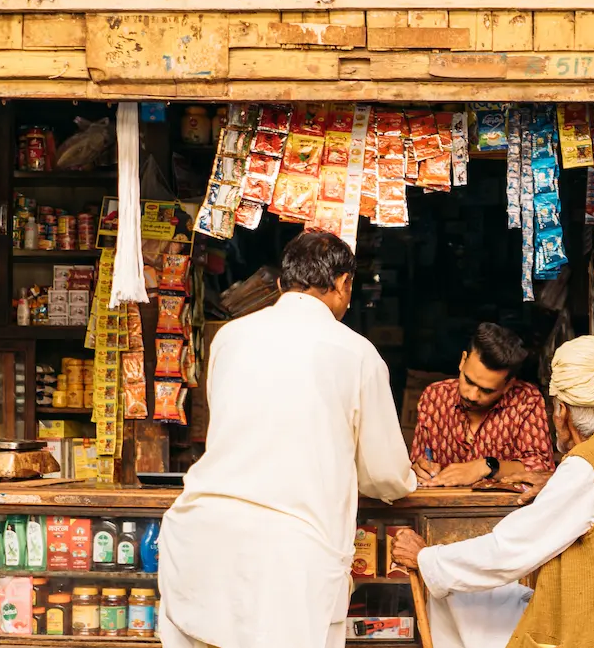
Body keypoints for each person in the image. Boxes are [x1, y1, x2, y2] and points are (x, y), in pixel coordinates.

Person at [157, 230, 417, 648]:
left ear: (281, 284)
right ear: (343, 286)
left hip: (202, 537)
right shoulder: (357, 353)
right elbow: (384, 474)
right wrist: (412, 479)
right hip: (291, 557)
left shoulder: (229, 337)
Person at [389, 336, 594, 648]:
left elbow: (507, 551)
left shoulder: (586, 468)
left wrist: (426, 559)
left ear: (562, 412)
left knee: (460, 597)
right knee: (475, 598)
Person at [412, 322, 555, 488]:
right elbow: (418, 462)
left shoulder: (526, 401)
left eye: (487, 391)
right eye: (468, 381)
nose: (472, 396)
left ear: (508, 385)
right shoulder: (434, 397)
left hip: (503, 511)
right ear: (462, 361)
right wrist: (419, 469)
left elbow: (541, 470)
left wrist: (486, 466)